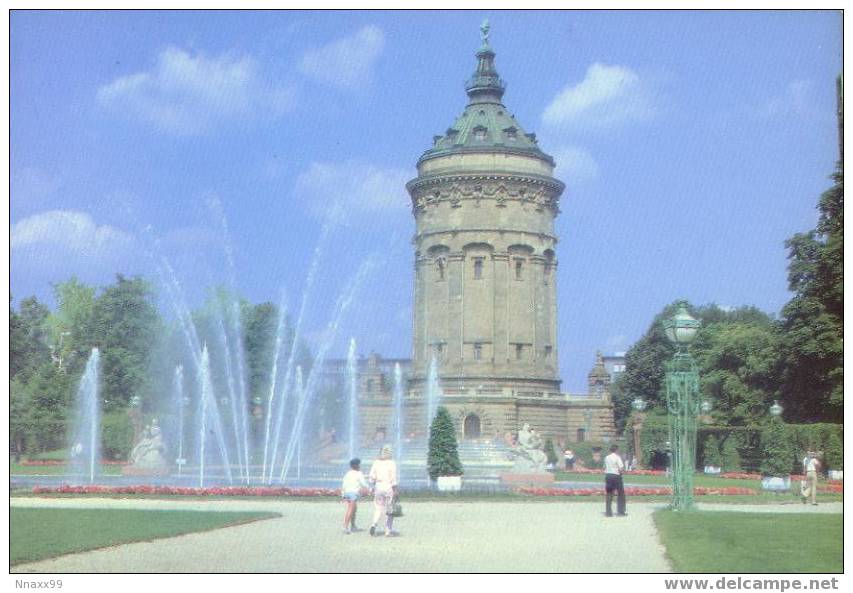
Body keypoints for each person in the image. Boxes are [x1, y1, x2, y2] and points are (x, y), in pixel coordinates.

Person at [368, 444, 399, 537]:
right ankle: (388, 531)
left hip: (379, 486)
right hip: (388, 487)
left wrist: (374, 484)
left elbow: (371, 477)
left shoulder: (376, 462)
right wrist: (396, 489)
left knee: (378, 508)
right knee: (390, 510)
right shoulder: (391, 463)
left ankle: (374, 524)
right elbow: (393, 477)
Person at [341, 457, 368, 534]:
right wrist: (368, 487)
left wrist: (343, 494)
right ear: (357, 465)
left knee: (354, 509)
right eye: (359, 465)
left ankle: (353, 526)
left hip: (347, 493)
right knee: (350, 509)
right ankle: (345, 526)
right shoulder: (359, 473)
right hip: (353, 493)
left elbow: (344, 484)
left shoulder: (348, 473)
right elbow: (363, 484)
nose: (360, 466)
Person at [604, 444, 626, 517]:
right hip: (616, 476)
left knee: (609, 493)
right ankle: (620, 511)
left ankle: (608, 512)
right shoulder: (617, 457)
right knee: (620, 493)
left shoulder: (606, 457)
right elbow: (621, 468)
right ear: (616, 450)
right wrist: (622, 472)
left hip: (608, 475)